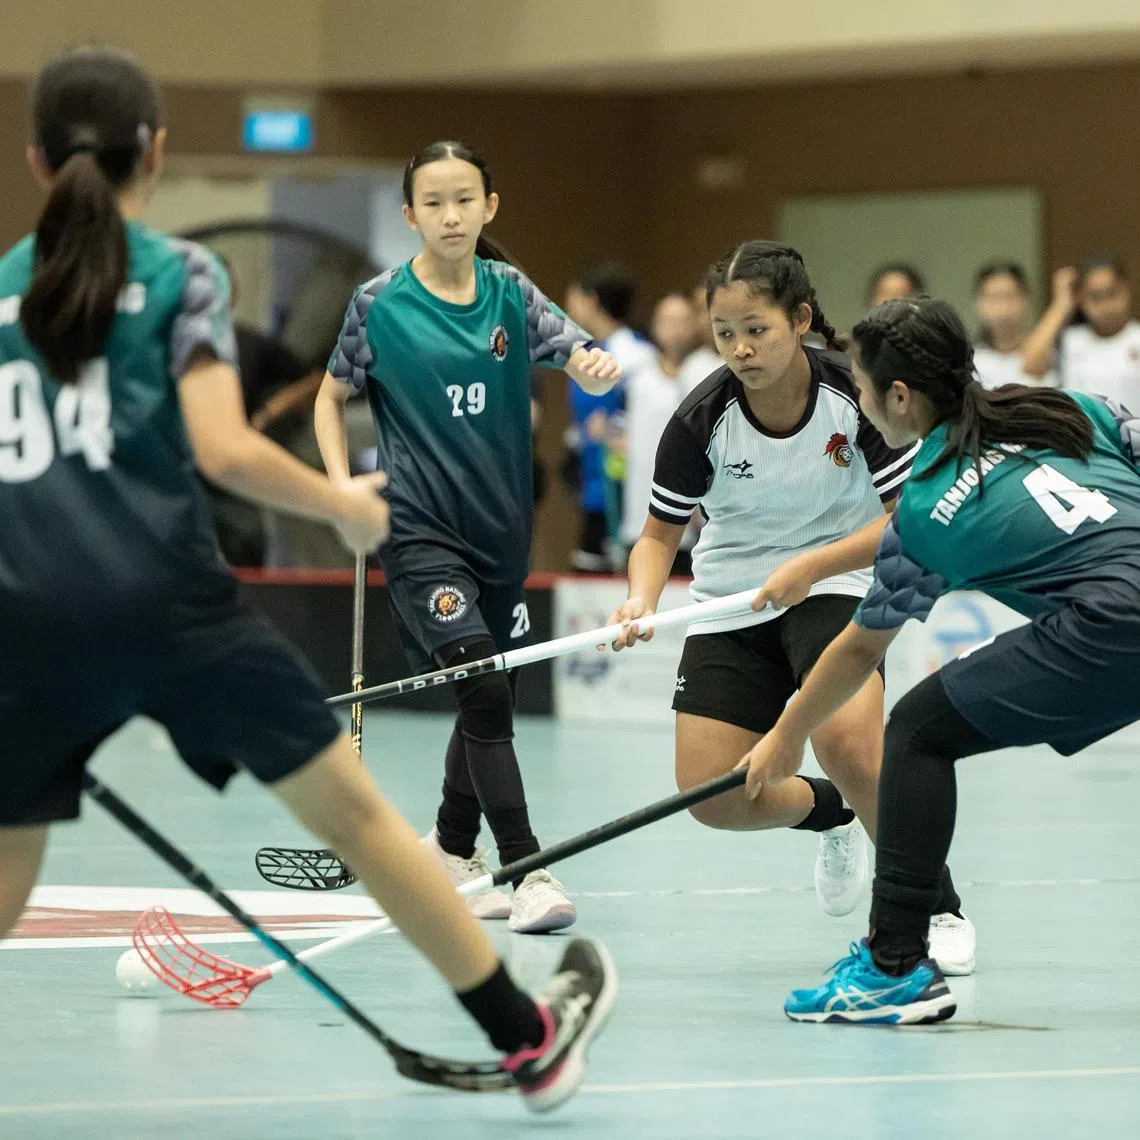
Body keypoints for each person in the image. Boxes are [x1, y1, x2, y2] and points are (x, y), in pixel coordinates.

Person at [0, 50, 614, 1111]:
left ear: (34, 160)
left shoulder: (4, 288)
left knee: (8, 876)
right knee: (363, 826)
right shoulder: (183, 276)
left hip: (25, 618)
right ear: (156, 150)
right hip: (172, 612)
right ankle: (527, 1043)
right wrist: (345, 507)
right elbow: (226, 451)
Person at [742, 295, 1140, 1024]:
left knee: (919, 732)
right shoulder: (1060, 407)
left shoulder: (927, 506)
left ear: (900, 395)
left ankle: (894, 967)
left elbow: (860, 648)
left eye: (863, 389)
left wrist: (788, 733)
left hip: (1112, 622)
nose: (860, 403)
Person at [606, 242, 973, 972]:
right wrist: (639, 599)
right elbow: (656, 535)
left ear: (801, 318)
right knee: (715, 797)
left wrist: (814, 565)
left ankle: (938, 905)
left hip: (835, 579)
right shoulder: (699, 420)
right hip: (731, 597)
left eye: (757, 329)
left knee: (852, 745)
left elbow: (909, 515)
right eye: (724, 332)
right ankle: (831, 810)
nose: (740, 348)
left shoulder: (854, 396)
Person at [314, 141, 622, 934]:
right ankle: (526, 870)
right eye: (434, 202)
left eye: (465, 200)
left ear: (491, 207)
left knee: (491, 697)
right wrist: (340, 485)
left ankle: (453, 847)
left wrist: (593, 367)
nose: (451, 216)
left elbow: (576, 348)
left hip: (501, 534)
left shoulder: (510, 295)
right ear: (410, 214)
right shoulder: (378, 303)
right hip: (418, 529)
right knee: (483, 687)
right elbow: (329, 397)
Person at [563, 261, 656, 571]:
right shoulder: (583, 352)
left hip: (621, 493)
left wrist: (616, 433)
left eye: (573, 297)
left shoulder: (635, 355)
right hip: (591, 489)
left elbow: (649, 417)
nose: (566, 307)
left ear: (592, 301)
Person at [617, 292, 704, 573]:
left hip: (693, 521)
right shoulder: (637, 378)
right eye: (668, 320)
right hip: (641, 513)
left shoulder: (707, 377)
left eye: (683, 320)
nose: (675, 329)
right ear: (655, 326)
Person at [1022, 253, 1140, 407]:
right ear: (1080, 298)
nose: (1105, 305)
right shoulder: (1070, 340)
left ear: (1126, 289)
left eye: (1112, 293)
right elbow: (1031, 364)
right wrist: (1061, 304)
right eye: (1095, 297)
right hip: (1081, 429)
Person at [971, 261, 1053, 390]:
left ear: (1025, 299)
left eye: (1009, 296)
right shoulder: (970, 358)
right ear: (979, 303)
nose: (1003, 308)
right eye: (994, 298)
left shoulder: (1047, 351)